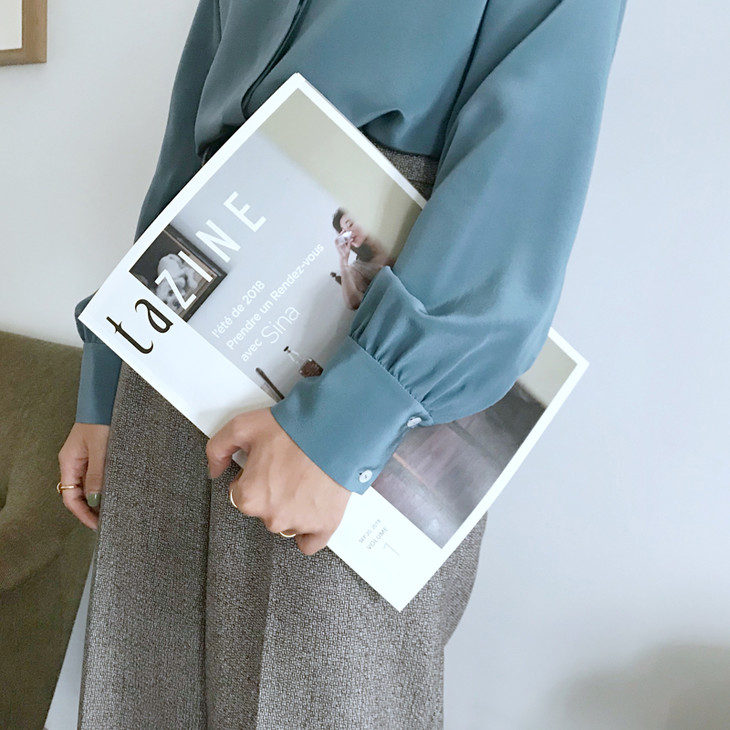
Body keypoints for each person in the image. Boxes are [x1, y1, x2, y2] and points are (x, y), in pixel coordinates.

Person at [57, 1, 627, 726]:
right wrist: (110, 368)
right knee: (142, 690)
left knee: (320, 703)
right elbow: (188, 144)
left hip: (382, 333)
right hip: (185, 331)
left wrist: (354, 415)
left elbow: (523, 171)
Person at [332, 208, 395, 309]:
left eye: (350, 224)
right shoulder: (358, 269)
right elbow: (354, 303)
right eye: (345, 232)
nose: (349, 234)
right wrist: (343, 263)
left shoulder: (390, 232)